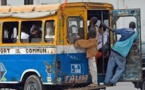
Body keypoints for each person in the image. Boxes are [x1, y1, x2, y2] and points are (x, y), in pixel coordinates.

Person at [103, 21, 138, 86]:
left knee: (110, 66)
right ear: (135, 27)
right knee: (121, 68)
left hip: (115, 48)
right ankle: (112, 81)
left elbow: (114, 30)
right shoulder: (135, 34)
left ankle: (106, 81)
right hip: (122, 53)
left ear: (129, 26)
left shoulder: (125, 30)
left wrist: (106, 26)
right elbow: (135, 40)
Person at [74, 17, 98, 87]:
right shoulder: (95, 28)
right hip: (93, 49)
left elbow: (89, 42)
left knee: (92, 65)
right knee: (92, 65)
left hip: (91, 50)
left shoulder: (92, 29)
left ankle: (94, 82)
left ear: (91, 21)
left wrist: (78, 42)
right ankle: (94, 80)